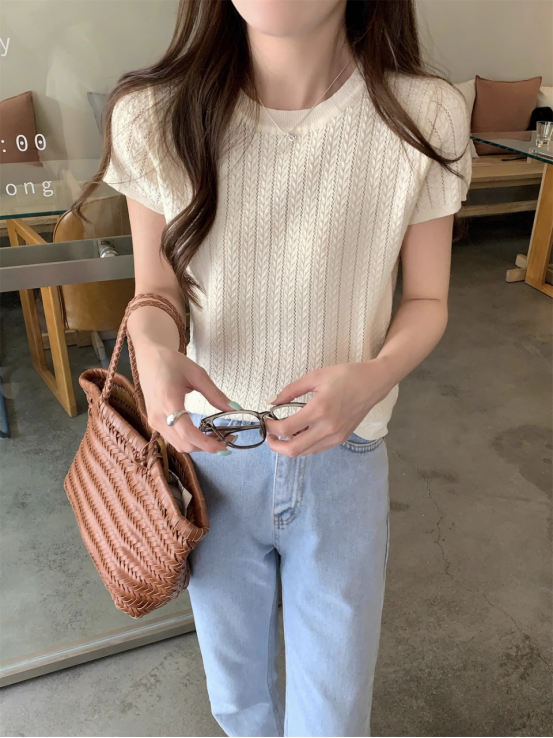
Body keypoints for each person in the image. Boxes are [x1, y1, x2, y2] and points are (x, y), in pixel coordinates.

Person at [75, 1, 471, 735]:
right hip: (209, 461)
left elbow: (426, 298)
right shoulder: (154, 115)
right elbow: (157, 290)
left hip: (345, 459)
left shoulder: (424, 115)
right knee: (238, 702)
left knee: (334, 715)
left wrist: (375, 375)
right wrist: (155, 350)